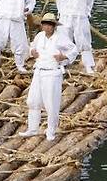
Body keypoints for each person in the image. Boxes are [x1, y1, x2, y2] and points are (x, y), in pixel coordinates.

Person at [20, 12, 78, 141]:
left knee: (51, 103)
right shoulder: (40, 36)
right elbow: (32, 47)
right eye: (45, 24)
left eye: (50, 25)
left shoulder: (60, 37)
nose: (47, 27)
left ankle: (51, 130)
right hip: (39, 70)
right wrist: (32, 52)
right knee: (33, 101)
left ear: (54, 26)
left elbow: (73, 49)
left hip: (52, 72)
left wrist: (64, 57)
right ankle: (32, 128)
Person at [56, 0, 96, 75]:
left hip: (80, 17)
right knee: (64, 40)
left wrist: (85, 13)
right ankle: (63, 64)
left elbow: (89, 1)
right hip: (65, 17)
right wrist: (62, 13)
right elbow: (59, 2)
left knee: (84, 41)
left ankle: (88, 65)